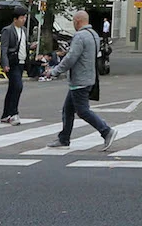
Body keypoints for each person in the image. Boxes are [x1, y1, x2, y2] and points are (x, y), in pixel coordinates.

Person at [48, 11, 116, 150]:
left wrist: (55, 71)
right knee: (68, 109)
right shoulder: (93, 34)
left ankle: (106, 131)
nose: (73, 23)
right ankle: (64, 139)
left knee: (82, 111)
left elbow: (71, 58)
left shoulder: (79, 36)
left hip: (79, 80)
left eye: (73, 21)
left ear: (78, 21)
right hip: (89, 77)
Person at [0, 9, 28, 125]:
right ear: (15, 19)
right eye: (22, 18)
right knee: (18, 87)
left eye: (25, 17)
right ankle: (14, 113)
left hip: (21, 62)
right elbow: (4, 48)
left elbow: (23, 45)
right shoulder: (8, 30)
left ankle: (6, 115)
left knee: (12, 88)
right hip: (12, 63)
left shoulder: (24, 30)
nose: (24, 20)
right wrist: (5, 63)